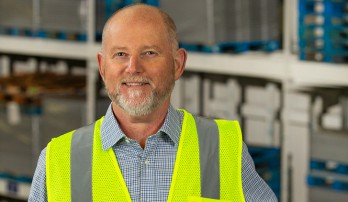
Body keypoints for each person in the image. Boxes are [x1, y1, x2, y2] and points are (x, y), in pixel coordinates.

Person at [29, 4, 277, 202]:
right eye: (120, 54)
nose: (133, 67)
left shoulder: (224, 149)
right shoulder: (58, 160)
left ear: (177, 64)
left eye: (149, 53)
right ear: (103, 67)